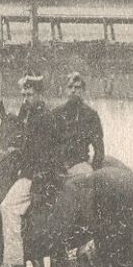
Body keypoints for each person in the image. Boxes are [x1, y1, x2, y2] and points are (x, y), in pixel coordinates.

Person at [0, 73, 58, 267]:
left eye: (29, 94)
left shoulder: (44, 117)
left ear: (39, 94)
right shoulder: (29, 112)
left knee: (8, 206)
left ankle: (14, 259)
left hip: (40, 174)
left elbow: (39, 153)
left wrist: (16, 153)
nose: (25, 98)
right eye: (23, 94)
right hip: (30, 170)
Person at [53, 71, 103, 229]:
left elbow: (99, 149)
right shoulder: (56, 113)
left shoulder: (91, 115)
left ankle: (87, 232)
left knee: (88, 188)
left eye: (78, 87)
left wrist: (94, 169)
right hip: (58, 166)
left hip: (79, 164)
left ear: (83, 90)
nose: (74, 91)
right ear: (65, 90)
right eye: (71, 87)